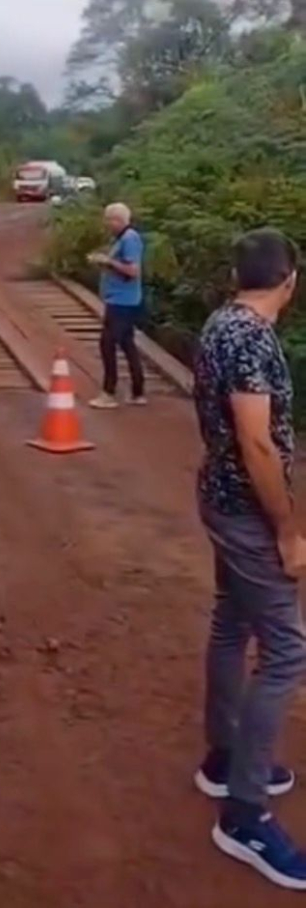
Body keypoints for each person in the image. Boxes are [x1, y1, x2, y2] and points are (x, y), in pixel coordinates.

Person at [193, 228, 306, 890]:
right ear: (289, 279)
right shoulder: (253, 339)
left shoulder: (220, 324)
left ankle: (224, 753)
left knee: (232, 623)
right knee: (289, 649)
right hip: (246, 511)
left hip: (218, 496)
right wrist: (288, 530)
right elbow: (258, 445)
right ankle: (244, 811)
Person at [87, 202, 146, 409]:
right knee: (127, 344)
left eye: (109, 220)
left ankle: (109, 391)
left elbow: (132, 271)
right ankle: (138, 391)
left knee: (107, 344)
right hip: (119, 299)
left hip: (123, 301)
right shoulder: (122, 239)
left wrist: (108, 262)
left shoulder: (130, 239)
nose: (106, 224)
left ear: (118, 220)